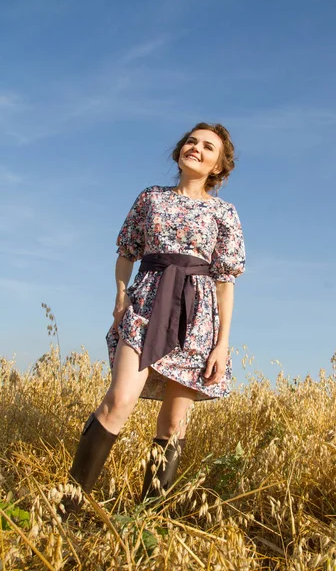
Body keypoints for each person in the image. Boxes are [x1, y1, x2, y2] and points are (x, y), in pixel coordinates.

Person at [60, 122, 245, 517]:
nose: (196, 148)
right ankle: (68, 510)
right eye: (191, 141)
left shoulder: (224, 212)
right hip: (145, 304)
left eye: (207, 147)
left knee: (175, 422)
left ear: (217, 166)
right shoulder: (151, 198)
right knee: (119, 400)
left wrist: (222, 342)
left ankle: (145, 521)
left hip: (198, 317)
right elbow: (127, 251)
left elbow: (226, 281)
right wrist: (120, 297)